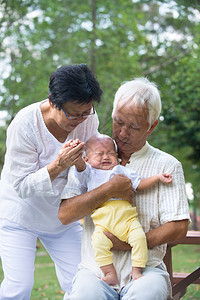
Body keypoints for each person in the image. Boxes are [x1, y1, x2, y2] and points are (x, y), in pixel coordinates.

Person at [58, 77, 190, 300]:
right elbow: (65, 214)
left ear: (152, 125)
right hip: (95, 270)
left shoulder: (167, 165)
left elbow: (178, 227)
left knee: (149, 293)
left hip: (146, 270)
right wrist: (109, 189)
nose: (122, 133)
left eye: (134, 126)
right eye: (118, 122)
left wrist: (130, 243)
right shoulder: (90, 157)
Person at [0, 63, 110, 299]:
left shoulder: (87, 118)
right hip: (19, 215)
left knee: (84, 280)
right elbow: (21, 186)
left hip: (61, 216)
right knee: (19, 286)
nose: (80, 120)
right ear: (52, 102)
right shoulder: (25, 125)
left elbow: (87, 174)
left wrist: (81, 165)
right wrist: (57, 166)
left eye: (86, 112)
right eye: (72, 114)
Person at [72, 134, 172, 285]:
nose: (106, 157)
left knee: (140, 238)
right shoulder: (89, 173)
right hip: (103, 224)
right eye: (99, 154)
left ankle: (137, 269)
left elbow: (139, 184)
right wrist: (77, 157)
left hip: (127, 220)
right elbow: (80, 169)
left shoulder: (121, 170)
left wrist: (157, 178)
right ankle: (109, 273)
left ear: (117, 156)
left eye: (111, 153)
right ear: (87, 159)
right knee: (98, 243)